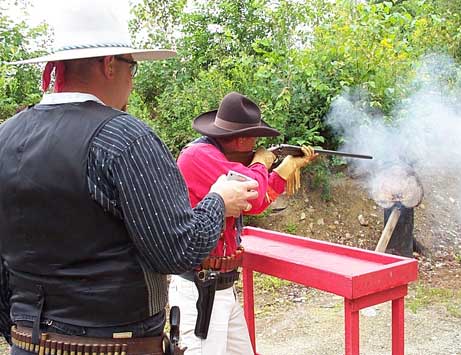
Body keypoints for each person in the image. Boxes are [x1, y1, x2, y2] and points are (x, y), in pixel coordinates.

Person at [0, 2, 258, 354]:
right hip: (114, 344)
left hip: (27, 343)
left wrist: (19, 331)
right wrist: (218, 202)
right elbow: (178, 252)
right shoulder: (125, 138)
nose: (132, 81)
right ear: (109, 64)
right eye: (132, 67)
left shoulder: (5, 137)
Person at [168, 91, 316, 355]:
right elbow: (253, 191)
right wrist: (262, 163)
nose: (256, 143)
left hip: (222, 286)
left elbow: (254, 202)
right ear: (242, 138)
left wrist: (282, 172)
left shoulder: (221, 159)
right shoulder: (198, 156)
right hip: (200, 289)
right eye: (254, 137)